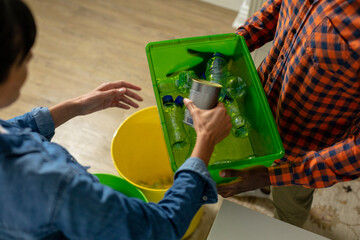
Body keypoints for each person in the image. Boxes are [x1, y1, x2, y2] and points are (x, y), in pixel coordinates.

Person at [0, 0, 232, 239]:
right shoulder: (50, 184)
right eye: (24, 56)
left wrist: (76, 105)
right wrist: (206, 139)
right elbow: (160, 228)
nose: (29, 60)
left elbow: (11, 130)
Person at [217, 0, 360, 228]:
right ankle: (265, 186)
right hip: (263, 106)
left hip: (302, 153)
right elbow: (277, 8)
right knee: (256, 163)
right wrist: (234, 45)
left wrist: (274, 177)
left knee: (290, 207)